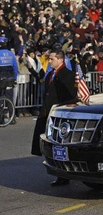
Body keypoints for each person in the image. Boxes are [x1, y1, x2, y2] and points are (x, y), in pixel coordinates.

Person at [31, 50, 78, 185]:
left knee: (60, 145)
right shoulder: (50, 75)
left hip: (60, 115)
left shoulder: (67, 75)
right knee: (49, 144)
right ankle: (58, 172)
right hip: (48, 112)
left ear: (60, 60)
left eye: (52, 59)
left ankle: (64, 175)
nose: (49, 61)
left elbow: (70, 96)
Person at [0, 36, 18, 125]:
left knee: (0, 98)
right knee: (9, 98)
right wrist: (14, 78)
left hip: (1, 79)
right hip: (10, 79)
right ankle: (12, 117)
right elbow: (15, 67)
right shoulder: (11, 54)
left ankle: (1, 118)